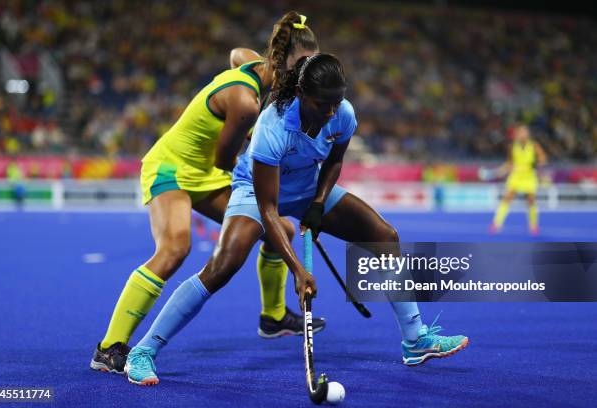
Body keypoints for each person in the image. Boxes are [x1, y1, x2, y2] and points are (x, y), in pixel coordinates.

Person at [125, 53, 469, 386]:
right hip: (256, 192)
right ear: (302, 94)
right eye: (323, 104)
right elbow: (269, 209)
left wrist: (318, 204)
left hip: (307, 187)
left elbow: (334, 161)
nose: (331, 112)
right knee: (222, 266)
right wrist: (298, 270)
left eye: (337, 102)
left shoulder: (342, 114)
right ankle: (144, 351)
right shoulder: (272, 127)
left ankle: (415, 340)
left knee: (384, 235)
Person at [90, 12, 325, 375]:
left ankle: (273, 317)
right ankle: (109, 348)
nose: (308, 73)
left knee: (282, 232)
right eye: (302, 64)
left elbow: (235, 53)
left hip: (205, 174)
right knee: (175, 249)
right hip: (172, 167)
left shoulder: (257, 68)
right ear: (282, 63)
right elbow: (224, 159)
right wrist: (259, 154)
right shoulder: (246, 103)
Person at [490, 124, 548, 235]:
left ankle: (533, 225)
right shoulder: (512, 146)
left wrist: (534, 164)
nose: (523, 134)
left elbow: (543, 158)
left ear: (528, 134)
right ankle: (496, 224)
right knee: (507, 198)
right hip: (516, 176)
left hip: (529, 176)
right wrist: (501, 170)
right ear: (517, 134)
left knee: (531, 200)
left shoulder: (534, 145)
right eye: (520, 132)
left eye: (524, 132)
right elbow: (509, 163)